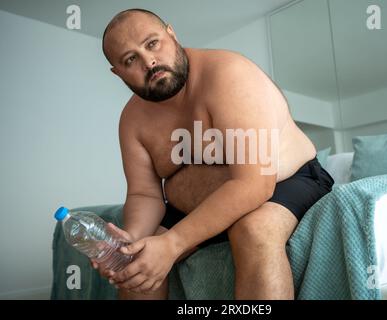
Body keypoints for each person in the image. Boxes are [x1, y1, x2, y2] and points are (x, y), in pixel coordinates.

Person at [93, 8, 334, 300]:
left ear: (172, 34)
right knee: (136, 263)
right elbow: (145, 194)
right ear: (117, 73)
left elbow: (254, 183)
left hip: (282, 184)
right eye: (131, 59)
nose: (149, 61)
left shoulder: (228, 74)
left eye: (152, 43)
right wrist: (131, 240)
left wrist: (173, 243)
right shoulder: (132, 120)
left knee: (254, 230)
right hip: (195, 208)